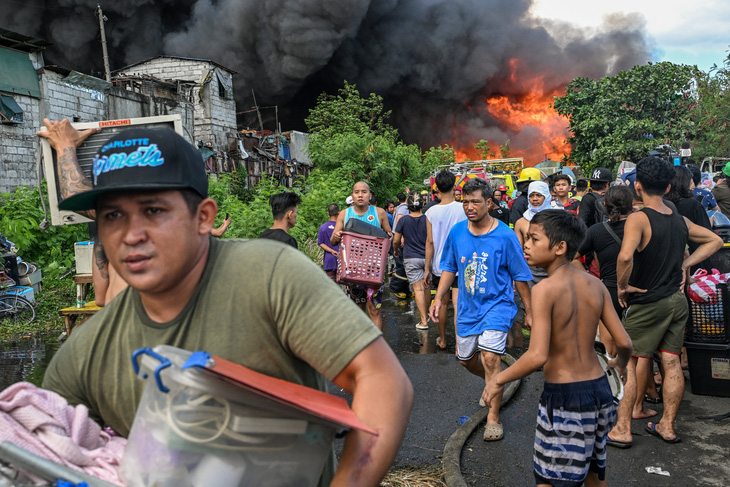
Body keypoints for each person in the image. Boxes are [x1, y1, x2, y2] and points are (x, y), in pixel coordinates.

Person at [38, 120, 413, 486]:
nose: (132, 235)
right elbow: (38, 442)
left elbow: (383, 381)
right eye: (113, 215)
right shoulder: (89, 350)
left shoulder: (267, 275)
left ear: (204, 217)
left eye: (153, 211)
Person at [485, 209, 632, 487]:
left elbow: (537, 355)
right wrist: (620, 364)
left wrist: (498, 379)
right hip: (600, 392)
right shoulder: (596, 285)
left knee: (550, 479)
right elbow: (624, 342)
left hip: (565, 399)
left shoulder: (544, 290)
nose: (525, 245)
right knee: (592, 471)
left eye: (534, 239)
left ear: (560, 247)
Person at [609, 156, 722, 447]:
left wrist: (622, 287)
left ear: (637, 186)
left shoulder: (639, 218)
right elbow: (715, 241)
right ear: (669, 186)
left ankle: (622, 429)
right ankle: (667, 426)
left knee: (631, 364)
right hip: (676, 300)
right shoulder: (676, 215)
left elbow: (624, 257)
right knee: (671, 362)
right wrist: (686, 265)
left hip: (648, 301)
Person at [429, 178, 533, 441]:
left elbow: (520, 276)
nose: (469, 207)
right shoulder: (457, 232)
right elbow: (449, 268)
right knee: (466, 360)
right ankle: (494, 382)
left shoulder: (506, 236)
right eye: (465, 202)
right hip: (467, 308)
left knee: (490, 358)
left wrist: (529, 311)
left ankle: (493, 418)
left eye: (475, 201)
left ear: (489, 202)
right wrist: (438, 298)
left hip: (497, 305)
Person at [573, 185, 634, 356]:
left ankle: (613, 377)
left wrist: (589, 279)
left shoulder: (596, 231)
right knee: (637, 344)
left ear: (605, 206)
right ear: (631, 205)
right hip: (638, 288)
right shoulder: (641, 227)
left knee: (608, 342)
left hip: (609, 290)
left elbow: (572, 257)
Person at [331, 181, 392, 329]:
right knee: (357, 311)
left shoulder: (379, 213)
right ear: (352, 195)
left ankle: (377, 348)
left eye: (364, 192)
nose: (360, 195)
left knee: (374, 311)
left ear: (370, 195)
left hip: (374, 271)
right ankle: (361, 348)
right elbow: (333, 240)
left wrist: (389, 236)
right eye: (357, 192)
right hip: (353, 271)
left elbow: (388, 236)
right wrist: (337, 236)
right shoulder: (345, 214)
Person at [425, 170, 467, 350]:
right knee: (458, 304)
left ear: (437, 189)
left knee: (440, 302)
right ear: (455, 186)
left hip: (439, 265)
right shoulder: (463, 208)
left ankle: (442, 339)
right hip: (460, 263)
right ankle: (459, 345)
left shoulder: (431, 211)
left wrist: (427, 268)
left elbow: (430, 241)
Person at [393, 191, 429, 330]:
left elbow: (396, 240)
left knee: (418, 289)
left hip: (411, 257)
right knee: (426, 287)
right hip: (426, 257)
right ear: (422, 204)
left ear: (408, 205)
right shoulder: (427, 219)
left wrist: (396, 250)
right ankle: (426, 315)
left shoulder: (403, 220)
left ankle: (424, 321)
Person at [317, 204, 340, 280]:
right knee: (343, 284)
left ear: (328, 213)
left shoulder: (323, 227)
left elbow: (320, 243)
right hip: (342, 260)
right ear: (338, 213)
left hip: (329, 260)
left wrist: (332, 251)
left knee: (331, 283)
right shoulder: (341, 227)